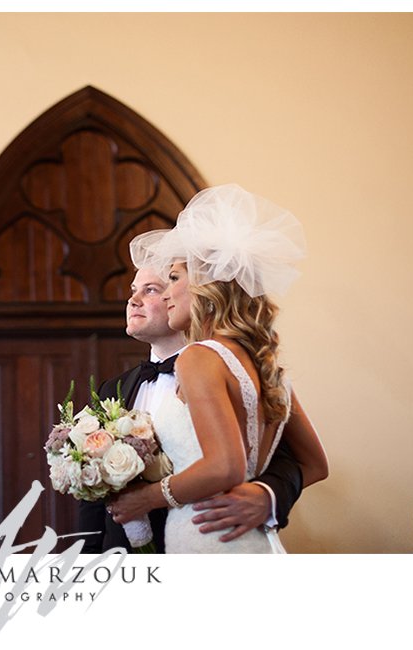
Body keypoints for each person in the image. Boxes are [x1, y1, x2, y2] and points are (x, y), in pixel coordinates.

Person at [109, 183, 329, 552]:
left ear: (208, 287)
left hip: (208, 539)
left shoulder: (199, 357)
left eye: (174, 279)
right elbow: (317, 464)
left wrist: (147, 498)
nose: (165, 293)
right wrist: (256, 490)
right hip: (254, 541)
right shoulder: (266, 365)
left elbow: (225, 466)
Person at [79, 265, 306, 553]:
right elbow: (92, 497)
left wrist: (268, 495)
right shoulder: (112, 390)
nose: (132, 300)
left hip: (211, 536)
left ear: (200, 291)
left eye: (152, 289)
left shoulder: (216, 363)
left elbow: (287, 459)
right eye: (133, 291)